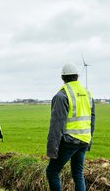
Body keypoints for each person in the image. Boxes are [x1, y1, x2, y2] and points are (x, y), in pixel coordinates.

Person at [46, 63, 96, 191]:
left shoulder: (61, 95)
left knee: (52, 171)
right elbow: (92, 119)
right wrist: (89, 140)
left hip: (70, 141)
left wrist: (52, 149)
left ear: (62, 77)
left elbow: (56, 125)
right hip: (84, 139)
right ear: (77, 76)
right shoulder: (87, 94)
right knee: (78, 174)